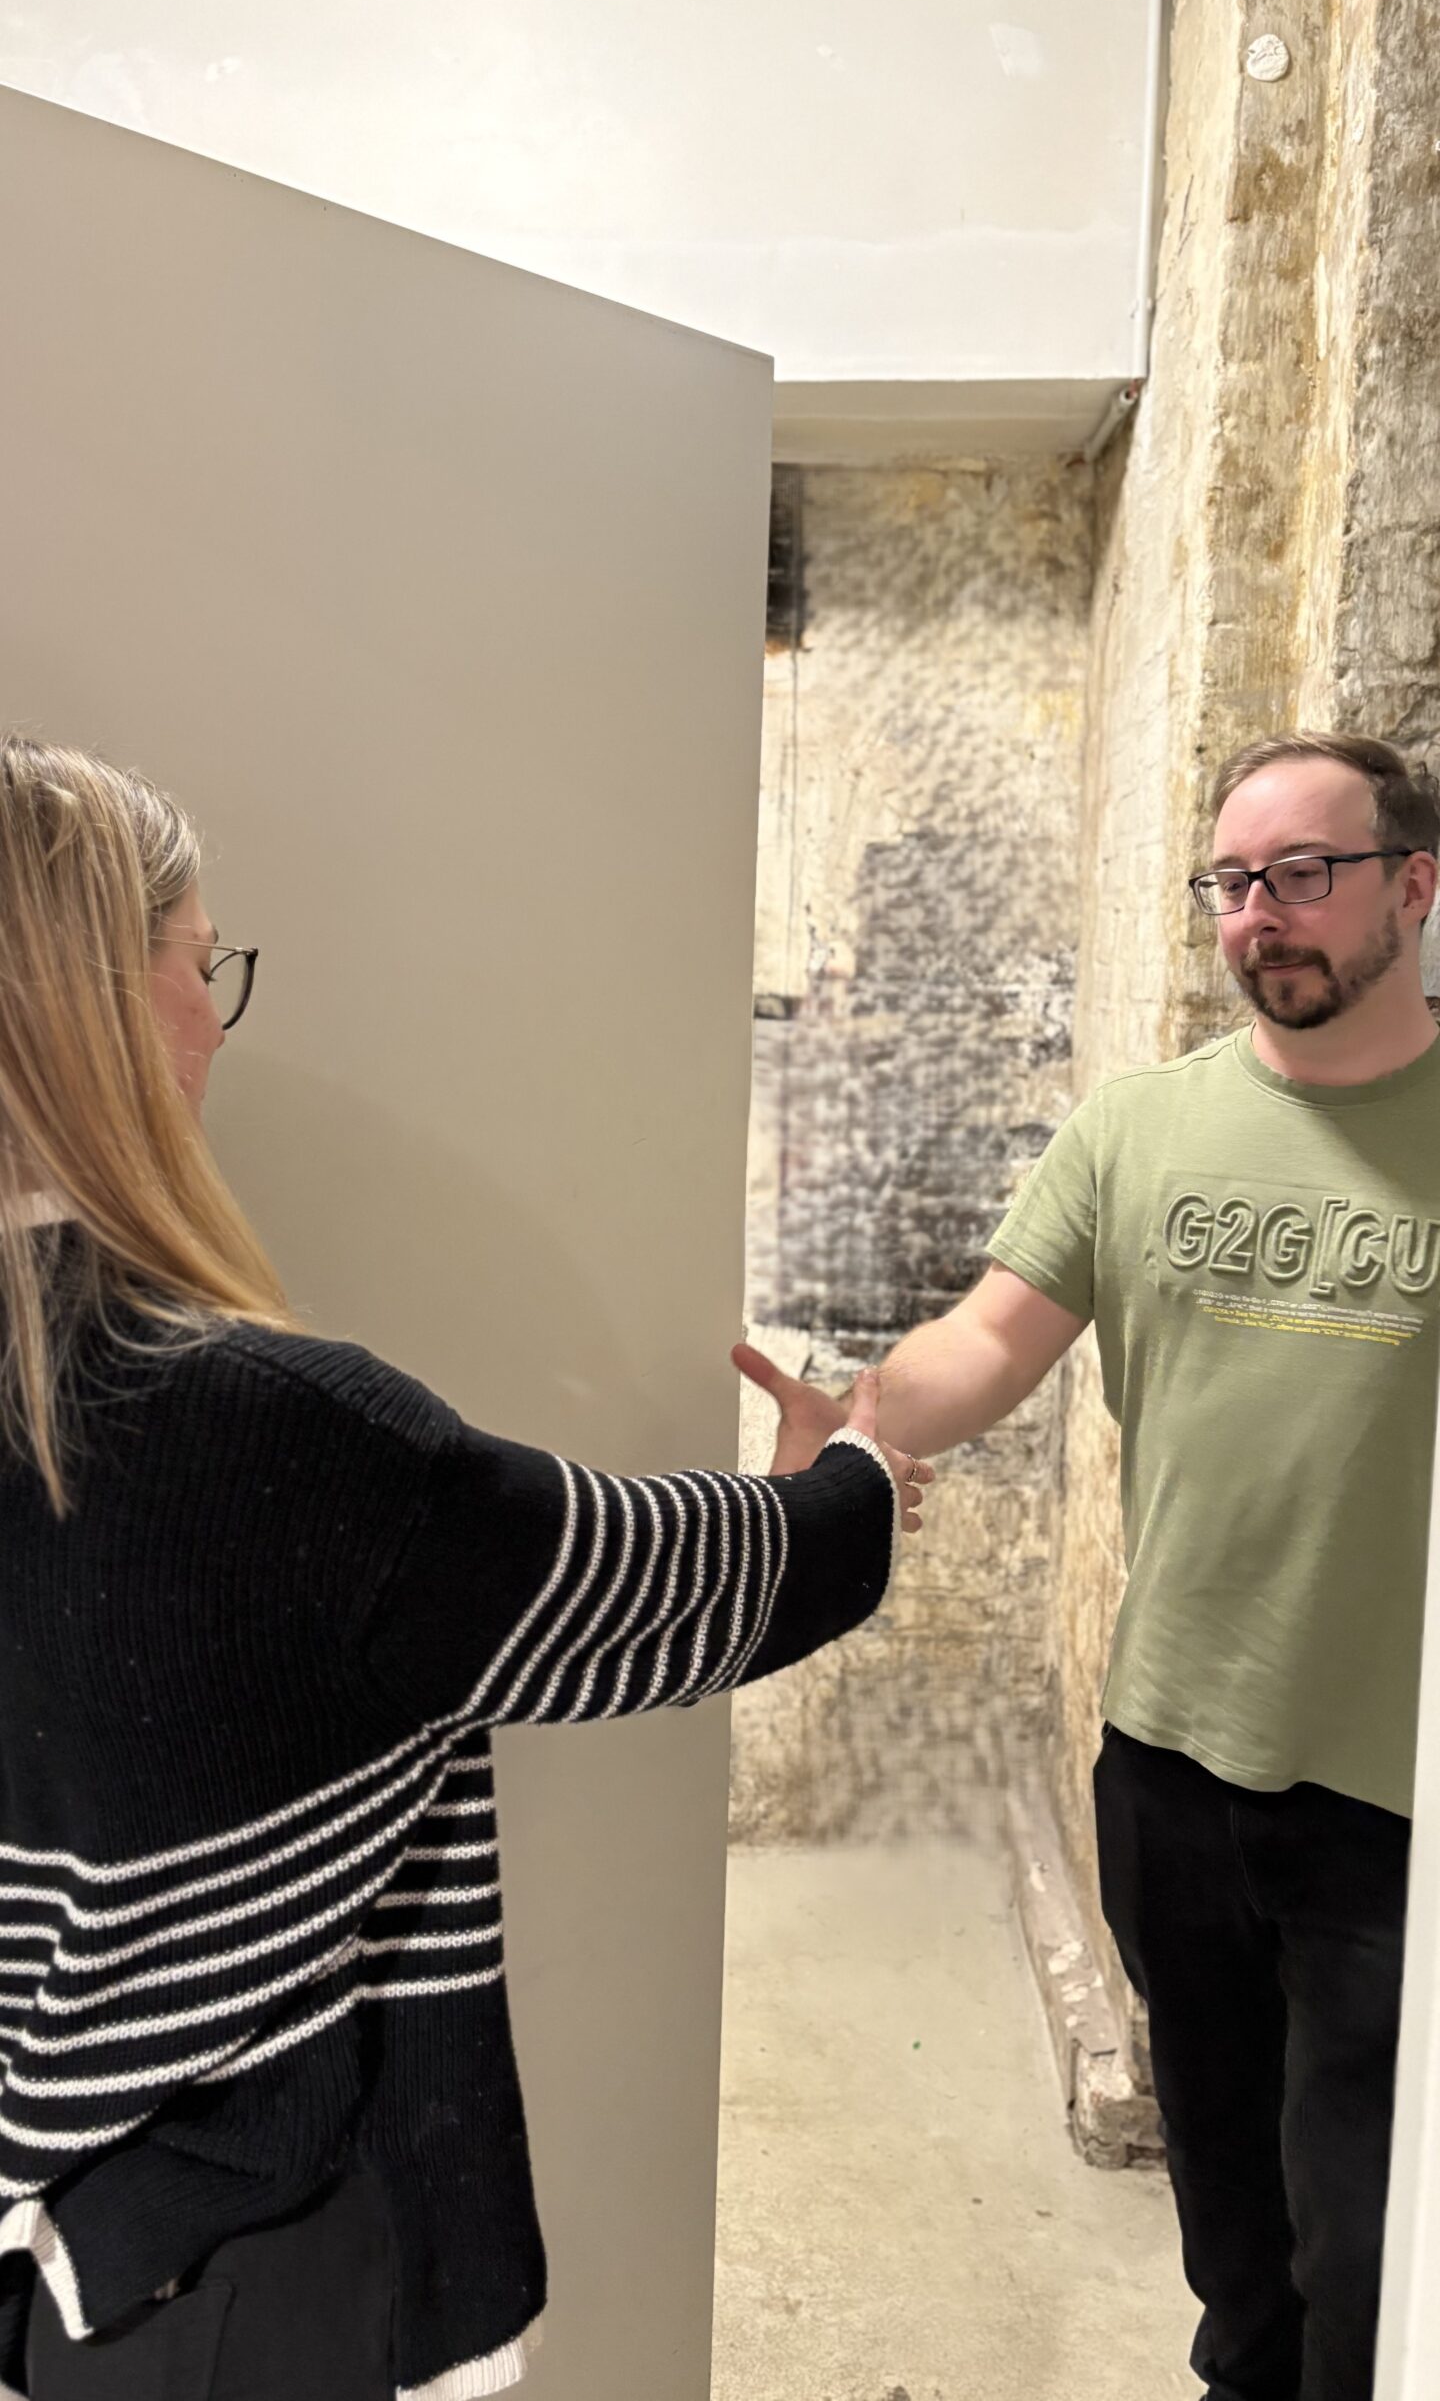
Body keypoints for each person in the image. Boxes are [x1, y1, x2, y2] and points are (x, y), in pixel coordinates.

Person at [0, 733, 935, 2401]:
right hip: (225, 2267)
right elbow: (648, 1591)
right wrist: (846, 1481)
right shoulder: (271, 1433)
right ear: (101, 1011)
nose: (217, 1018)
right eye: (204, 964)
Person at [740, 730, 1440, 2401]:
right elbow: (991, 1341)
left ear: (1414, 885)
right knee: (1234, 2222)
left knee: (1369, 2253)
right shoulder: (1139, 1128)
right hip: (1172, 1763)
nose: (1261, 915)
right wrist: (850, 1427)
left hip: (1393, 1801)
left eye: (1304, 874)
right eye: (1232, 883)